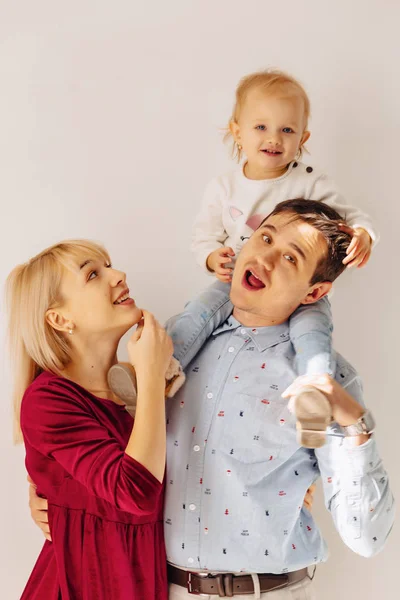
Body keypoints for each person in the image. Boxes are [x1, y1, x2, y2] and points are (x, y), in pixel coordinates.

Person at [29, 201, 394, 599]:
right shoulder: (166, 354)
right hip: (158, 588)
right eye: (266, 238)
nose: (266, 257)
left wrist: (355, 427)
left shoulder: (326, 383)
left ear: (315, 291)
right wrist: (46, 492)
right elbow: (108, 452)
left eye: (291, 256)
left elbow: (366, 538)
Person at [191, 70, 378, 439]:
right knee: (193, 317)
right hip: (238, 280)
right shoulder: (224, 187)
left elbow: (349, 218)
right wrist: (214, 258)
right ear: (237, 131)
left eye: (287, 131)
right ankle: (159, 373)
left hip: (298, 292)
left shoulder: (311, 182)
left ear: (303, 138)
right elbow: (203, 237)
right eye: (261, 127)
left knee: (313, 334)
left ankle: (314, 394)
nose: (274, 139)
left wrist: (363, 234)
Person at [7, 240, 174, 599]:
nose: (119, 275)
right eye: (94, 274)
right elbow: (138, 491)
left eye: (109, 265)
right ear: (59, 318)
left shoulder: (132, 394)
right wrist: (150, 374)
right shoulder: (47, 399)